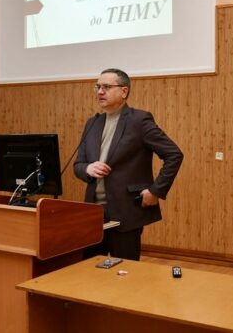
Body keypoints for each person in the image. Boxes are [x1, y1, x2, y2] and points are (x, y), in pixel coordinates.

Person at [74, 68, 183, 261]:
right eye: (97, 87)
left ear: (124, 91)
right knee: (89, 269)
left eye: (106, 87)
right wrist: (88, 169)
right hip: (93, 212)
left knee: (125, 272)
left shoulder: (139, 120)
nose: (100, 92)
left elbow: (173, 154)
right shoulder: (92, 123)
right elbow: (78, 165)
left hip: (125, 211)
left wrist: (156, 190)